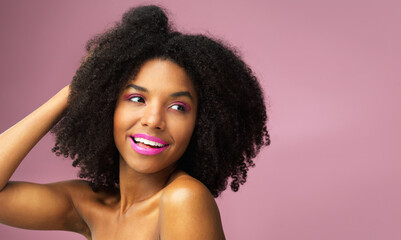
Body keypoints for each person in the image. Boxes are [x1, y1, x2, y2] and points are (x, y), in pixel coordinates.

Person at [0, 5, 270, 240]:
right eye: (137, 98)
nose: (153, 120)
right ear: (106, 106)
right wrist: (76, 92)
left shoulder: (183, 199)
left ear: (201, 125)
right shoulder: (90, 207)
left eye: (178, 107)